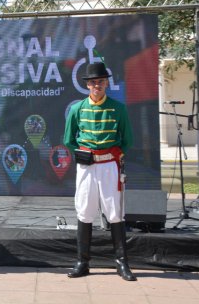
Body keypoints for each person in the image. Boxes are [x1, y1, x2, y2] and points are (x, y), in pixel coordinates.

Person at [64, 62, 136, 281]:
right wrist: (82, 155)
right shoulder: (77, 109)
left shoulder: (118, 108)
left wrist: (113, 156)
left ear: (106, 83)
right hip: (86, 167)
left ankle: (122, 263)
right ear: (87, 85)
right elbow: (68, 140)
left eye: (101, 81)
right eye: (93, 82)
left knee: (115, 213)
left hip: (109, 166)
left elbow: (127, 140)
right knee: (84, 211)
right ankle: (82, 262)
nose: (97, 85)